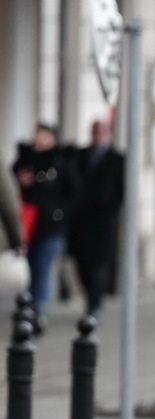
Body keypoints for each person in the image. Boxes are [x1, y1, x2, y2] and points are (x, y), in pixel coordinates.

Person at [11, 123, 79, 334]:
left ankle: (38, 309)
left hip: (52, 226)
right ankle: (32, 306)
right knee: (33, 266)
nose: (39, 139)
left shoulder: (60, 161)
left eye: (44, 136)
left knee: (42, 266)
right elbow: (10, 186)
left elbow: (74, 192)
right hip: (29, 225)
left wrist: (60, 213)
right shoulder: (25, 159)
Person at [67, 119, 124, 317]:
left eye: (102, 131)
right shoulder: (80, 156)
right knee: (82, 264)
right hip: (81, 222)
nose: (98, 136)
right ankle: (90, 298)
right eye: (95, 131)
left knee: (99, 266)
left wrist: (111, 209)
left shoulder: (117, 159)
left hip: (103, 223)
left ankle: (94, 304)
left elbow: (122, 191)